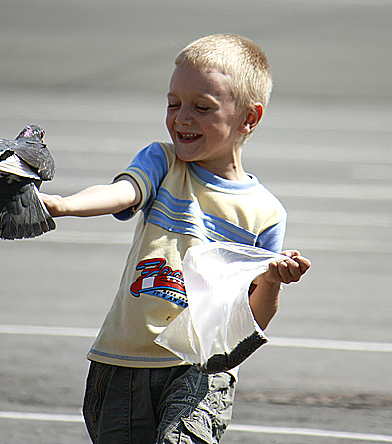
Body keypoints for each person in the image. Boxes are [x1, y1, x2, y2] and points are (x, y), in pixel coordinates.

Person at [40, 33, 310, 444]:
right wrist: (64, 205)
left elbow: (252, 320)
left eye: (202, 108)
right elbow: (125, 192)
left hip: (202, 369)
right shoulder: (163, 163)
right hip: (122, 362)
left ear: (249, 119)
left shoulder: (266, 213)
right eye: (173, 104)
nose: (182, 118)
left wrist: (272, 279)